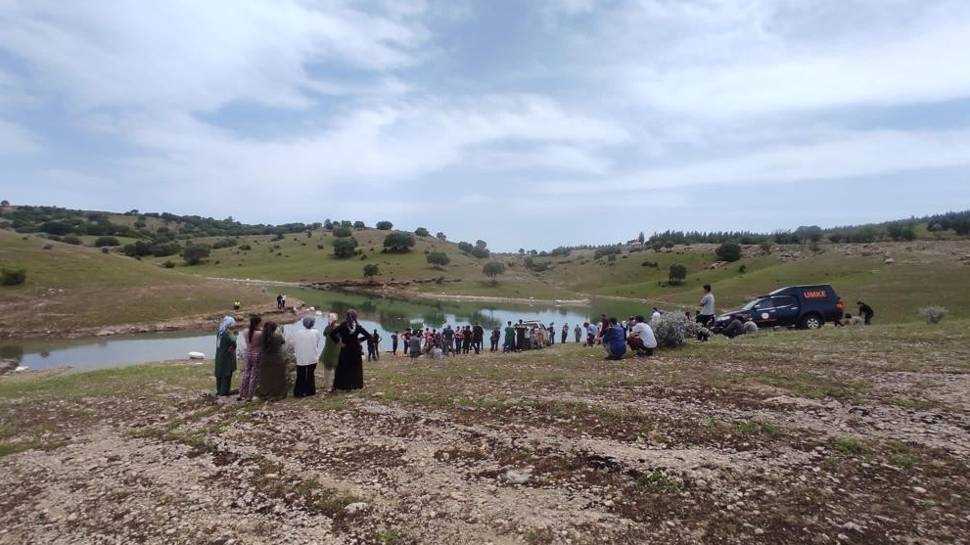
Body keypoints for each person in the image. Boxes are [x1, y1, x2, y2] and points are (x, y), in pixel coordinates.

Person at [328, 310, 373, 391]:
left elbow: (332, 334)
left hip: (345, 348)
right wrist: (359, 340)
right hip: (355, 349)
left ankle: (342, 385)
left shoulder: (343, 325)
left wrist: (339, 342)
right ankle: (355, 384)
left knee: (343, 367)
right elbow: (369, 336)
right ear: (355, 317)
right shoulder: (358, 326)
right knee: (354, 368)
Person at [291, 316, 324, 397]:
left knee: (300, 375)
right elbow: (317, 342)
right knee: (310, 374)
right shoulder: (316, 332)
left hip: (301, 357)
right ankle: (310, 391)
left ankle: (299, 392)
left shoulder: (298, 333)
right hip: (312, 357)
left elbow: (293, 344)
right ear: (312, 324)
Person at [257, 321, 287, 400]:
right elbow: (283, 342)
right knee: (277, 377)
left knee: (265, 378)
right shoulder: (278, 336)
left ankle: (265, 394)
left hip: (265, 359)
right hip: (277, 359)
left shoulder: (261, 337)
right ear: (275, 328)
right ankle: (277, 394)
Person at [238, 315, 262, 401]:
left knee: (246, 373)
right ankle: (250, 395)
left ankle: (241, 393)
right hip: (257, 354)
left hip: (248, 353)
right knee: (254, 375)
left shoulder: (245, 331)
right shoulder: (259, 333)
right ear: (257, 323)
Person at [214, 316, 237, 396]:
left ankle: (219, 390)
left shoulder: (220, 332)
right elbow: (234, 343)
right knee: (226, 375)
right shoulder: (228, 334)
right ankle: (224, 392)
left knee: (219, 374)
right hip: (227, 357)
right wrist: (234, 334)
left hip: (219, 356)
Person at [320, 313, 340, 392]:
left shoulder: (327, 329)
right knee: (337, 370)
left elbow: (324, 334)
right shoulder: (339, 328)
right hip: (337, 352)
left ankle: (328, 386)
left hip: (328, 352)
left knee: (327, 370)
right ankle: (336, 385)